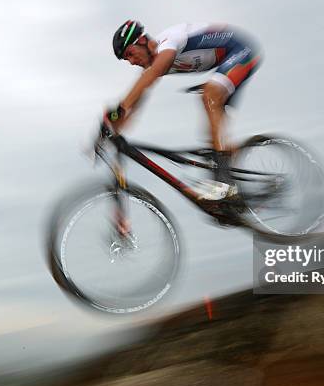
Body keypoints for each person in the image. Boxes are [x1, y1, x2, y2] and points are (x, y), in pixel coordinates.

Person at [105, 20, 261, 235]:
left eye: (131, 54)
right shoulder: (153, 65)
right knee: (214, 135)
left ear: (141, 41)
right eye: (126, 60)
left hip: (241, 51)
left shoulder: (168, 42)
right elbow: (137, 102)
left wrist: (118, 110)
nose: (131, 62)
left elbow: (149, 79)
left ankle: (226, 184)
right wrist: (111, 129)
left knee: (210, 97)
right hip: (223, 64)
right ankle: (237, 197)